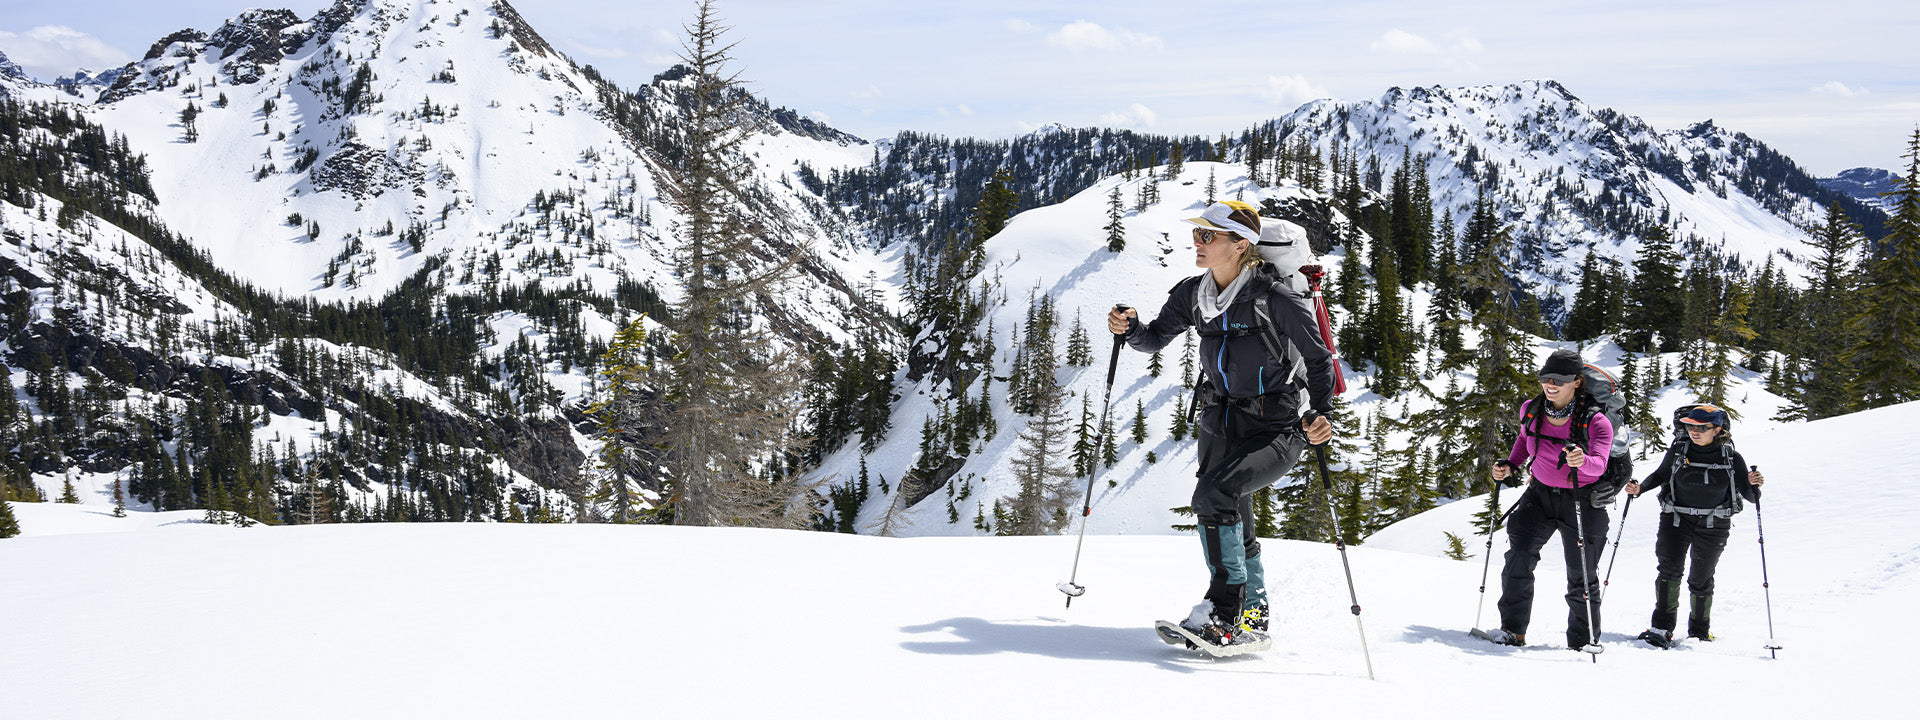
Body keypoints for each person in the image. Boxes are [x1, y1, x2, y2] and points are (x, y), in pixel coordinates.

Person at [1107, 200, 1336, 650]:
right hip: (1218, 419)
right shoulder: (1194, 294)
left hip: (1277, 425)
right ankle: (1253, 614)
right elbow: (1154, 338)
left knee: (1214, 495)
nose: (1198, 241)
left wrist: (1321, 411)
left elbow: (1318, 357)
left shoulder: (1275, 297)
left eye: (1209, 235)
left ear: (1241, 245)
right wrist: (1130, 328)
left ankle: (1223, 613)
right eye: (1197, 233)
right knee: (1233, 512)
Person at [1483, 348, 1614, 649]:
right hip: (1539, 494)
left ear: (1577, 382)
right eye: (1546, 378)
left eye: (1560, 380)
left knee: (1581, 572)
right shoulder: (1532, 409)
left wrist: (1583, 461)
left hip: (1582, 500)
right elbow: (1523, 438)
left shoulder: (1595, 422)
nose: (1551, 385)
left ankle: (1583, 641)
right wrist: (1510, 464)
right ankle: (1512, 631)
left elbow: (1600, 463)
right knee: (1518, 557)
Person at [1623, 404, 1765, 647]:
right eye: (1690, 426)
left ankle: (1699, 632)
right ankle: (1661, 628)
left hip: (1715, 523)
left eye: (1702, 428)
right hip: (1675, 519)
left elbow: (1750, 498)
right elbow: (1661, 475)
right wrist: (1640, 489)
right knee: (1669, 570)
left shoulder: (1731, 457)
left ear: (1717, 429)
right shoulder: (1680, 449)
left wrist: (1755, 485)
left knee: (1701, 576)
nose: (1694, 432)